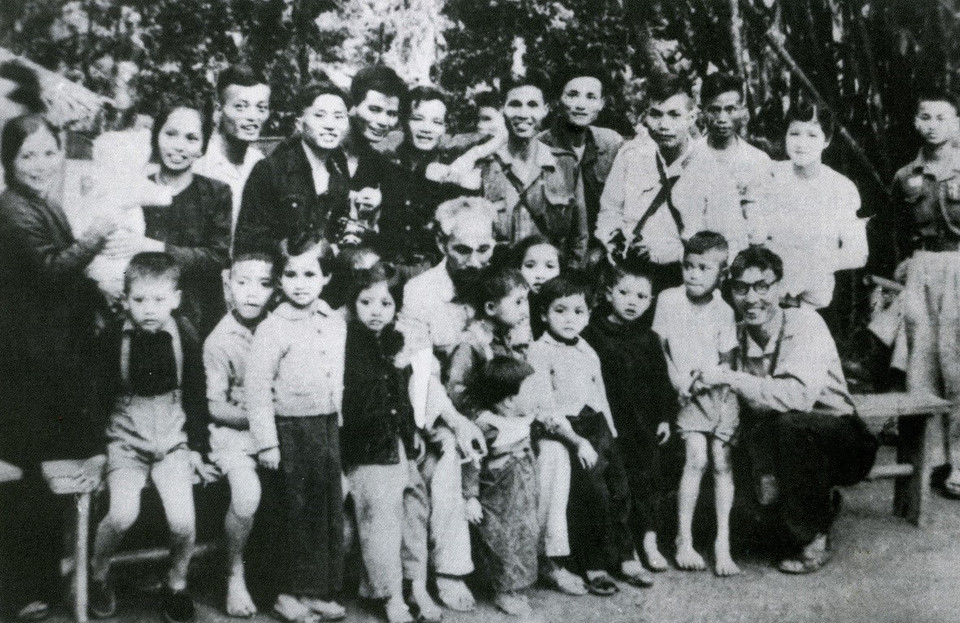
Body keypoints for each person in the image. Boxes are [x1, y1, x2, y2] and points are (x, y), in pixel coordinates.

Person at [696, 246, 878, 574]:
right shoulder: (734, 335)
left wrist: (732, 378)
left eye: (762, 287)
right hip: (779, 439)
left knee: (793, 424)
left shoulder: (805, 323)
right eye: (741, 288)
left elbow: (796, 397)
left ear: (778, 287)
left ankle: (813, 536)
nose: (752, 299)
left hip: (840, 438)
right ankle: (815, 504)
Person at [0, 113, 112, 622]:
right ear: (9, 162)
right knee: (26, 475)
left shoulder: (41, 204)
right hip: (26, 364)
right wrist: (96, 238)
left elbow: (66, 278)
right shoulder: (11, 208)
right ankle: (21, 591)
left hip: (50, 360)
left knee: (44, 477)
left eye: (50, 151)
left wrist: (103, 294)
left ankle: (42, 584)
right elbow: (50, 271)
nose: (42, 163)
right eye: (29, 155)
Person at [88, 252, 215, 623]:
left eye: (159, 300)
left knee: (183, 521)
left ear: (175, 299)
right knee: (123, 513)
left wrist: (197, 448)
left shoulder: (185, 334)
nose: (149, 309)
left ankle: (176, 582)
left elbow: (195, 392)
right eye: (139, 300)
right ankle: (98, 574)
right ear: (125, 300)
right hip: (126, 441)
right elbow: (96, 398)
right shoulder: (113, 338)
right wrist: (98, 453)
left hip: (173, 441)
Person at [396, 197, 493, 611]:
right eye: (462, 249)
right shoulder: (421, 292)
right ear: (441, 243)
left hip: (485, 402)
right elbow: (420, 371)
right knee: (451, 452)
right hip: (431, 405)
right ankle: (450, 570)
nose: (475, 261)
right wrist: (456, 421)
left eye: (485, 249)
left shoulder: (499, 282)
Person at [244, 234, 347, 622]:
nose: (300, 283)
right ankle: (284, 592)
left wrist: (338, 422)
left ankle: (313, 589)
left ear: (326, 277)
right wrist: (267, 443)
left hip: (325, 427)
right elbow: (257, 388)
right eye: (290, 274)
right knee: (290, 511)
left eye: (310, 273)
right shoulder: (273, 328)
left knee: (323, 511)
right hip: (289, 430)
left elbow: (337, 375)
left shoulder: (333, 321)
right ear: (280, 279)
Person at [341, 263, 443, 623]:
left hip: (397, 444)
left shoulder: (395, 341)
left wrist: (409, 432)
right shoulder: (345, 344)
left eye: (385, 304)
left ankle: (416, 584)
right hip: (364, 448)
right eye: (366, 302)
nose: (375, 311)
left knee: (416, 507)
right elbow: (350, 406)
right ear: (353, 305)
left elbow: (402, 395)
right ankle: (391, 593)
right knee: (382, 514)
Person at [527, 274, 639, 595]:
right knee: (592, 493)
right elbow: (544, 409)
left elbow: (599, 392)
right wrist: (577, 442)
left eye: (578, 312)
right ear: (544, 314)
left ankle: (624, 555)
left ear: (589, 315)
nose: (569, 319)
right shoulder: (540, 351)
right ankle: (594, 564)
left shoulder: (587, 349)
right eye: (560, 310)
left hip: (598, 426)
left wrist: (611, 435)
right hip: (569, 429)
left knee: (619, 487)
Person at [596, 72, 745, 291]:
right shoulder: (631, 156)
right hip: (630, 272)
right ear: (646, 116)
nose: (664, 125)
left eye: (674, 115)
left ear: (692, 117)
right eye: (656, 114)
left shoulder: (712, 171)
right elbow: (609, 212)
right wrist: (618, 244)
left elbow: (729, 240)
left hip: (684, 277)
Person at [651, 231, 741, 576]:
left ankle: (723, 542)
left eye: (703, 268)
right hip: (685, 394)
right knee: (696, 458)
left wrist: (705, 378)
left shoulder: (724, 311)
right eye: (688, 266)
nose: (692, 274)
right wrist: (678, 381)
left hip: (716, 394)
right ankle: (683, 539)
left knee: (721, 461)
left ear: (721, 273)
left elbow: (726, 362)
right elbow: (660, 349)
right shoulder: (669, 300)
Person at [582, 256, 676, 575]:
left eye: (641, 297)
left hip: (643, 424)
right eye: (624, 293)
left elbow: (661, 381)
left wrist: (664, 417)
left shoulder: (648, 338)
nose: (632, 302)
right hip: (609, 423)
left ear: (650, 301)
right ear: (608, 293)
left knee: (647, 479)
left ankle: (649, 539)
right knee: (617, 483)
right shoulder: (593, 332)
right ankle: (626, 546)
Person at [888, 90, 960, 497]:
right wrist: (905, 266)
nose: (932, 125)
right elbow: (898, 230)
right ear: (916, 122)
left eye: (941, 117)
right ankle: (923, 462)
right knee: (920, 361)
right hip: (921, 269)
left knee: (958, 366)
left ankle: (959, 464)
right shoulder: (905, 176)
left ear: (955, 124)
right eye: (925, 117)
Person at [203, 250, 275, 617]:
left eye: (263, 284)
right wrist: (260, 419)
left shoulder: (279, 326)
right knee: (247, 495)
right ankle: (234, 572)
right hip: (237, 431)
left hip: (279, 432)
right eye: (242, 282)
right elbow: (215, 407)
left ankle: (295, 582)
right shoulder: (220, 340)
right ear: (228, 283)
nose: (252, 293)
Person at [132, 99, 231, 335]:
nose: (179, 146)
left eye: (191, 138)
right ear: (156, 137)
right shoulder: (136, 190)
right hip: (146, 312)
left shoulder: (216, 193)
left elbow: (217, 257)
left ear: (203, 147)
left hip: (200, 311)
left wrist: (156, 247)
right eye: (171, 134)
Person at [761, 101, 867, 309]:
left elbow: (857, 253)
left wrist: (811, 267)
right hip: (767, 296)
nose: (801, 143)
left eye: (812, 135)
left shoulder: (840, 188)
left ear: (826, 140)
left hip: (813, 302)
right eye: (794, 134)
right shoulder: (770, 176)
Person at [478, 71, 586, 269]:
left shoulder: (565, 164)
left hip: (550, 281)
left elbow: (579, 237)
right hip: (501, 280)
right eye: (515, 104)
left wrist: (567, 279)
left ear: (545, 109)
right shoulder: (486, 165)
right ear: (502, 108)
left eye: (533, 105)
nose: (523, 114)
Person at [233, 82, 351, 256]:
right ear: (299, 123)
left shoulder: (339, 172)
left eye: (339, 116)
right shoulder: (270, 169)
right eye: (320, 115)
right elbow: (248, 239)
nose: (330, 125)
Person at [462, 357, 539, 616]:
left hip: (524, 490)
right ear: (508, 400)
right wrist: (471, 497)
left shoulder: (523, 417)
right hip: (499, 497)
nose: (536, 395)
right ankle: (504, 592)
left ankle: (517, 587)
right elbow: (472, 461)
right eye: (530, 391)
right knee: (502, 542)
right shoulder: (489, 426)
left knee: (524, 536)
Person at [538, 65, 624, 253]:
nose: (580, 104)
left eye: (591, 97)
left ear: (601, 103)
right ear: (558, 100)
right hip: (555, 253)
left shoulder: (612, 144)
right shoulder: (540, 147)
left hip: (603, 251)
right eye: (573, 95)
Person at [695, 72, 772, 244]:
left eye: (730, 109)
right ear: (702, 111)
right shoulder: (689, 157)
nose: (722, 119)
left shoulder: (757, 161)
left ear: (742, 110)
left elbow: (761, 226)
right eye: (714, 110)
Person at [194, 64, 271, 232]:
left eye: (261, 108)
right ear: (218, 110)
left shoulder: (261, 163)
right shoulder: (199, 164)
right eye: (240, 106)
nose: (252, 117)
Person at [446, 266, 531, 415]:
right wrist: (483, 416)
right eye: (518, 302)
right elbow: (456, 389)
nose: (525, 311)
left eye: (525, 301)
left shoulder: (509, 336)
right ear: (491, 307)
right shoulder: (472, 343)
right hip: (485, 418)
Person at [511, 234, 561, 339]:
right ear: (518, 269)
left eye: (550, 266)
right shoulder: (512, 308)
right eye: (530, 266)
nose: (540, 275)